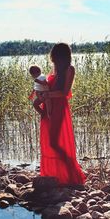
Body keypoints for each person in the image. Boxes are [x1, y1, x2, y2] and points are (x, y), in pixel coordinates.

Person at [38, 43, 86, 186]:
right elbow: (49, 88)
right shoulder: (56, 70)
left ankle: (73, 172)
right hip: (49, 107)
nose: (52, 58)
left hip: (59, 107)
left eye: (54, 55)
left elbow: (65, 93)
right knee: (50, 141)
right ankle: (58, 174)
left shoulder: (69, 69)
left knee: (54, 142)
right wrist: (41, 93)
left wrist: (47, 94)